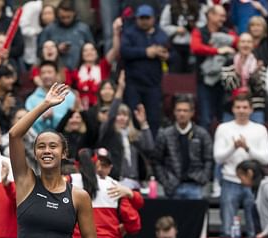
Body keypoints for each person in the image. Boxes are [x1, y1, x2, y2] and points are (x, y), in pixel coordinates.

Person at [1, 83, 96, 238]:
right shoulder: (25, 182)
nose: (46, 150)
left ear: (63, 153)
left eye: (53, 146)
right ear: (34, 153)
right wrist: (45, 104)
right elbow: (14, 134)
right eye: (41, 146)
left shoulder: (78, 196)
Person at [214, 93, 268, 238]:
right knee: (227, 229)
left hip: (253, 183)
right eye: (238, 107)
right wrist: (233, 147)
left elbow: (266, 159)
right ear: (232, 109)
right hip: (229, 180)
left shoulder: (260, 129)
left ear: (251, 110)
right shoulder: (223, 128)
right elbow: (218, 157)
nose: (241, 110)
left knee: (255, 228)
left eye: (245, 107)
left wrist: (247, 148)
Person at [121, 4, 171, 136]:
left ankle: (152, 151)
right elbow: (124, 52)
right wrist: (145, 52)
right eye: (141, 18)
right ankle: (134, 151)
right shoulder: (129, 33)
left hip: (153, 84)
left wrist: (166, 55)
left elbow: (173, 54)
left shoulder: (161, 34)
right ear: (136, 18)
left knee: (153, 119)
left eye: (147, 18)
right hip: (134, 84)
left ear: (153, 19)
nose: (144, 21)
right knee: (134, 117)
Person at [153, 94, 213, 199]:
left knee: (195, 215)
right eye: (179, 110)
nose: (182, 114)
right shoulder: (165, 134)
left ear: (192, 113)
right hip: (172, 185)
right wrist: (165, 182)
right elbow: (157, 161)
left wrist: (204, 178)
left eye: (185, 111)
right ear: (174, 112)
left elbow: (209, 159)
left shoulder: (202, 134)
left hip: (195, 184)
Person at [190, 4, 237, 130]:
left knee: (224, 118)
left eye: (224, 16)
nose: (223, 19)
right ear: (210, 15)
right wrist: (217, 50)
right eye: (221, 16)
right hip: (204, 81)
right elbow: (195, 47)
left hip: (224, 82)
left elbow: (238, 42)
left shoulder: (228, 32)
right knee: (205, 118)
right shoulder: (199, 31)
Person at [73, 18, 121, 108]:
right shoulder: (76, 71)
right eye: (85, 51)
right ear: (81, 55)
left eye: (92, 50)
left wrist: (115, 32)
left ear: (96, 53)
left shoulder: (103, 66)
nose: (89, 53)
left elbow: (115, 50)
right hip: (82, 108)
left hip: (101, 106)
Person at [221, 33, 267, 124]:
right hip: (232, 107)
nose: (246, 45)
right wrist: (237, 73)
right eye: (243, 42)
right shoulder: (229, 62)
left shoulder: (259, 63)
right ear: (238, 45)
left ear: (253, 45)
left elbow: (261, 89)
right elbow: (227, 86)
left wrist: (255, 75)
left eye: (249, 42)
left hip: (255, 107)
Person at [38, 0, 94, 69]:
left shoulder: (83, 29)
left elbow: (93, 51)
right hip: (57, 72)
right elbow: (40, 52)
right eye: (63, 17)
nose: (66, 20)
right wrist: (55, 49)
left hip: (80, 72)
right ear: (58, 14)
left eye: (68, 17)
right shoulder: (49, 29)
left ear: (74, 13)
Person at [25, 60, 76, 133]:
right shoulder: (31, 99)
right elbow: (27, 124)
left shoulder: (68, 95)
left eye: (49, 72)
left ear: (57, 74)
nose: (46, 76)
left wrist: (53, 117)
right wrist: (42, 118)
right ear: (39, 76)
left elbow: (74, 121)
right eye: (43, 73)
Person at [159, 0, 207, 73]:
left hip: (192, 45)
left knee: (191, 71)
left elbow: (204, 23)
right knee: (175, 70)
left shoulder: (198, 7)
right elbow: (163, 25)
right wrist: (176, 29)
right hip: (175, 45)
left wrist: (194, 26)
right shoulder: (170, 7)